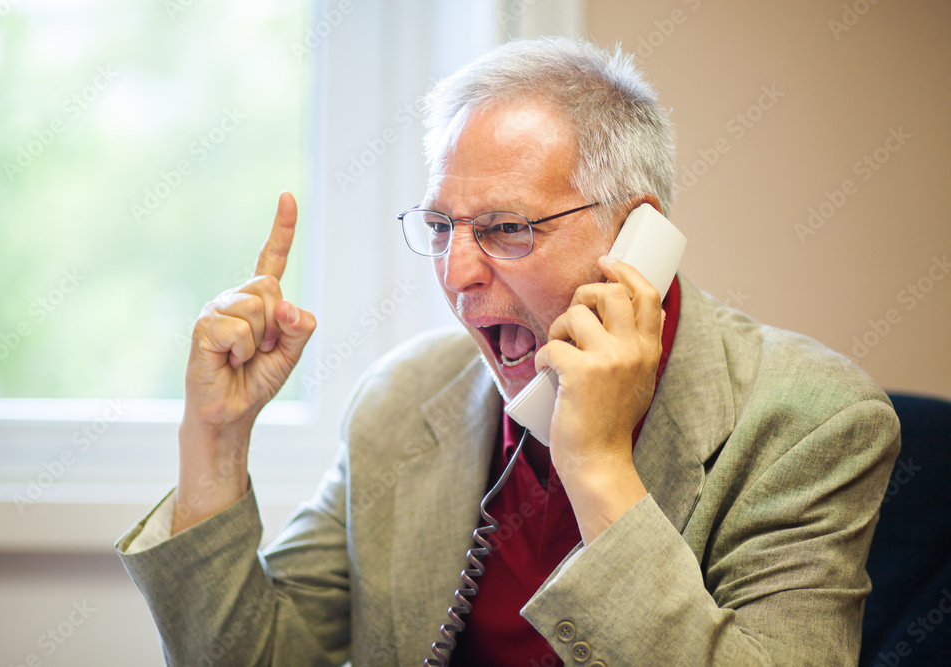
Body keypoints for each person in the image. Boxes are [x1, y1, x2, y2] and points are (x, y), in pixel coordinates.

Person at [117, 37, 900, 666]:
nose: (456, 274)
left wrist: (596, 466)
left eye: (507, 227)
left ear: (635, 237)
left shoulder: (812, 421)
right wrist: (214, 440)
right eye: (440, 227)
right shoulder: (401, 399)